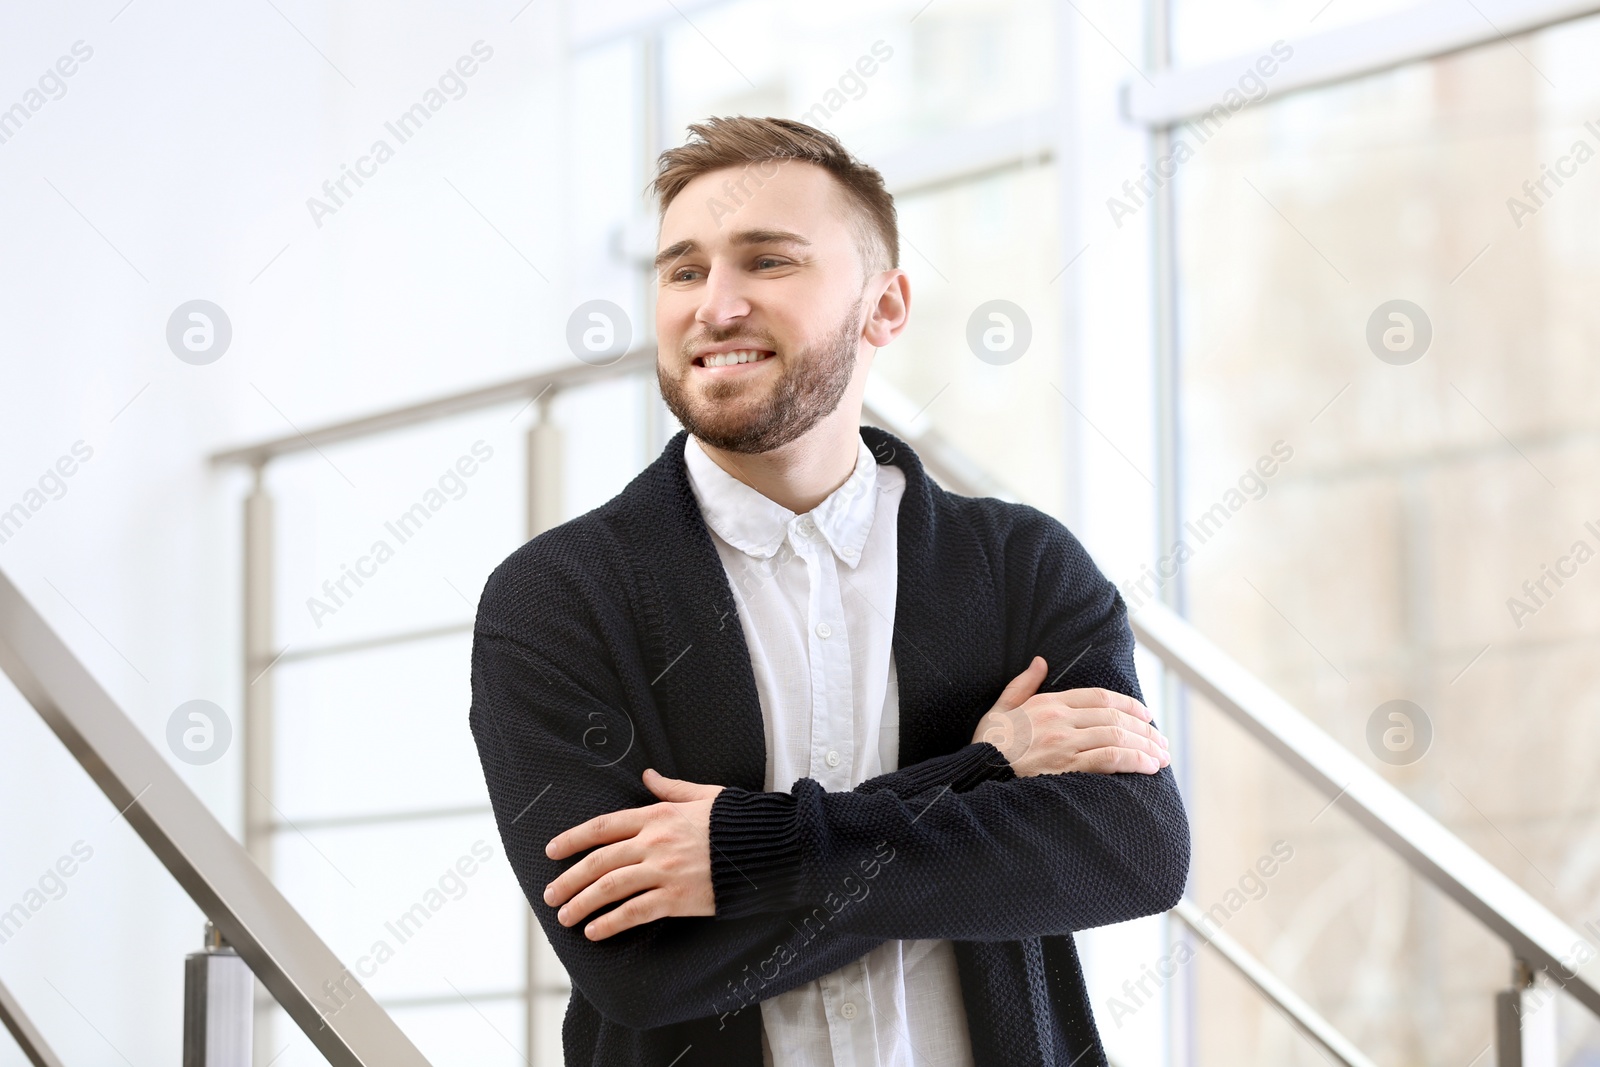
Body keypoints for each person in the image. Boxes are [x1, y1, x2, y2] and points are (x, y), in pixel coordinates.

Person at [469, 115, 1189, 1067]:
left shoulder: (1020, 564)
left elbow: (1128, 851)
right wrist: (973, 777)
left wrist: (744, 855)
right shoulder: (558, 598)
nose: (714, 306)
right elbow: (641, 965)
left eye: (767, 261)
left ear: (883, 308)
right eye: (683, 271)